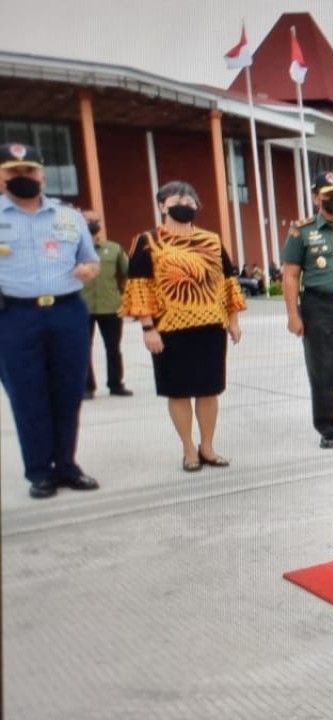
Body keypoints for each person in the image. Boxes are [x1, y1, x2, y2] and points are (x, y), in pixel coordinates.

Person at [0, 142, 102, 500]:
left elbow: (90, 259)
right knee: (28, 395)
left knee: (69, 391)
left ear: (42, 175)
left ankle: (67, 465)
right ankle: (40, 472)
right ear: (1, 177)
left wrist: (89, 269)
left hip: (66, 311)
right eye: (13, 172)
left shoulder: (68, 216)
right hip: (14, 315)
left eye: (29, 170)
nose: (22, 177)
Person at [122, 181, 245, 472]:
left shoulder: (212, 240)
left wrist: (233, 320)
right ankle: (188, 449)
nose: (185, 203)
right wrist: (147, 328)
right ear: (162, 205)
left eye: (191, 200)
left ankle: (208, 446)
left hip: (210, 328)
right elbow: (140, 285)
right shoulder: (147, 241)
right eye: (177, 199)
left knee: (209, 389)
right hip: (169, 329)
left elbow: (228, 281)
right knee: (178, 391)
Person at [282, 171, 333, 449]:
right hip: (317, 305)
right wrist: (292, 315)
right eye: (327, 195)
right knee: (322, 370)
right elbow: (290, 274)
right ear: (315, 197)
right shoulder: (303, 230)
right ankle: (327, 427)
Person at [80, 207, 132, 399]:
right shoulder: (72, 251)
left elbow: (127, 274)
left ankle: (116, 384)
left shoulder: (114, 249)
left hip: (110, 306)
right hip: (82, 307)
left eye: (95, 221)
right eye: (87, 221)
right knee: (83, 349)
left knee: (113, 348)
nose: (91, 224)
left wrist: (124, 299)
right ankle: (87, 387)